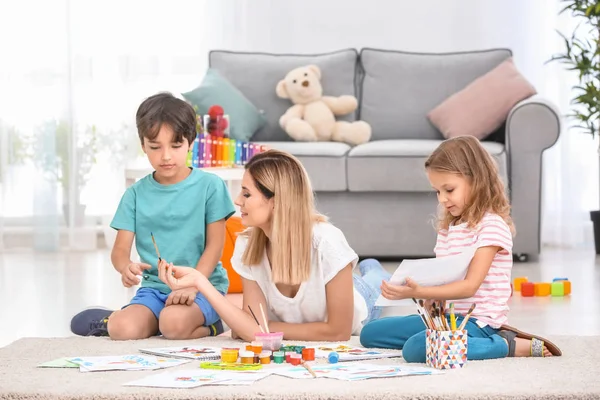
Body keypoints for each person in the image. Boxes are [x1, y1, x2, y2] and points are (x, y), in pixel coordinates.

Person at [360, 135, 562, 360]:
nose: (442, 199)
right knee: (370, 333)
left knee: (415, 348)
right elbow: (444, 281)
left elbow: (469, 287)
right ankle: (442, 339)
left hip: (480, 322)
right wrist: (430, 299)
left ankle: (505, 344)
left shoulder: (492, 226)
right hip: (447, 319)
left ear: (476, 180)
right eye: (437, 191)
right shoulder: (448, 229)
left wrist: (419, 291)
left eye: (449, 189)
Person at [157, 149, 391, 342]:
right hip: (313, 308)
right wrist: (200, 281)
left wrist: (263, 328)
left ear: (276, 203)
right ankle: (372, 269)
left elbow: (338, 332)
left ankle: (375, 269)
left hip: (359, 299)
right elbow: (253, 328)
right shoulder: (247, 243)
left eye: (247, 194)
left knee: (377, 285)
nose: (238, 201)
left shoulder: (327, 242)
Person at [70, 92, 235, 340]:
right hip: (154, 289)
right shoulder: (135, 194)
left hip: (202, 287)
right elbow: (120, 250)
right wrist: (125, 267)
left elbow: (215, 246)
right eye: (155, 147)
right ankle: (118, 320)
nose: (166, 156)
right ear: (143, 145)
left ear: (190, 143)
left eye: (176, 146)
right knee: (122, 330)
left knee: (173, 325)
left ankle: (211, 324)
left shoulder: (211, 186)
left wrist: (192, 284)